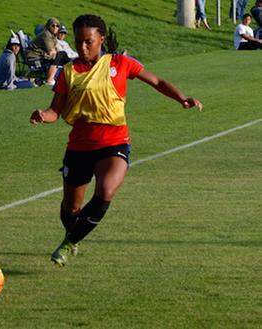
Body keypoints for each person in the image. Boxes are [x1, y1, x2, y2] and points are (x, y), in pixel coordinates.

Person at [29, 14, 203, 267]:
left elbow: (157, 81)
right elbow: (55, 110)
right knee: (71, 210)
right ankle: (73, 235)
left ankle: (67, 245)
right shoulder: (68, 72)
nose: (83, 47)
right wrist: (43, 116)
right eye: (79, 42)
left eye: (88, 41)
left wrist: (182, 98)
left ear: (101, 39)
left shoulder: (120, 63)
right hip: (79, 146)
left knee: (106, 190)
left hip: (114, 142)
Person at [25, 18, 67, 85]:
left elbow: (57, 49)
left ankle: (67, 76)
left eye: (57, 26)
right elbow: (51, 52)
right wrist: (56, 52)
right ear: (49, 26)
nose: (55, 27)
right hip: (34, 56)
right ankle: (49, 79)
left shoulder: (53, 36)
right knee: (58, 56)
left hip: (41, 55)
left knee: (62, 55)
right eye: (53, 25)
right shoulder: (46, 35)